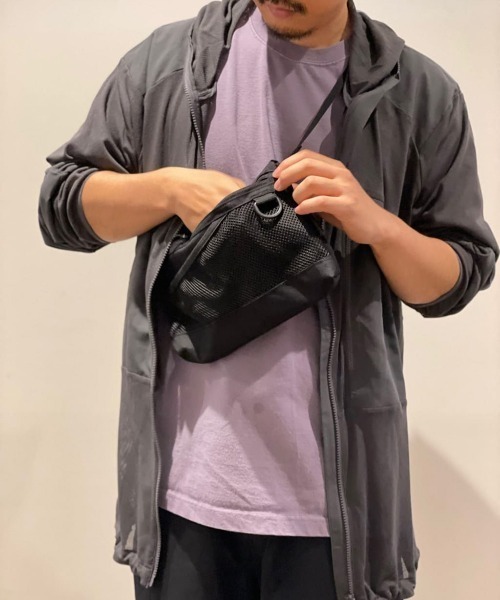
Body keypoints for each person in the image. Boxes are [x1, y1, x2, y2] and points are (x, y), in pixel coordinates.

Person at [38, 0, 498, 598]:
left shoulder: (419, 94)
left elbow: (456, 278)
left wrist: (378, 226)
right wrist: (170, 189)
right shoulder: (168, 66)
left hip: (337, 517)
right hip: (180, 497)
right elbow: (62, 206)